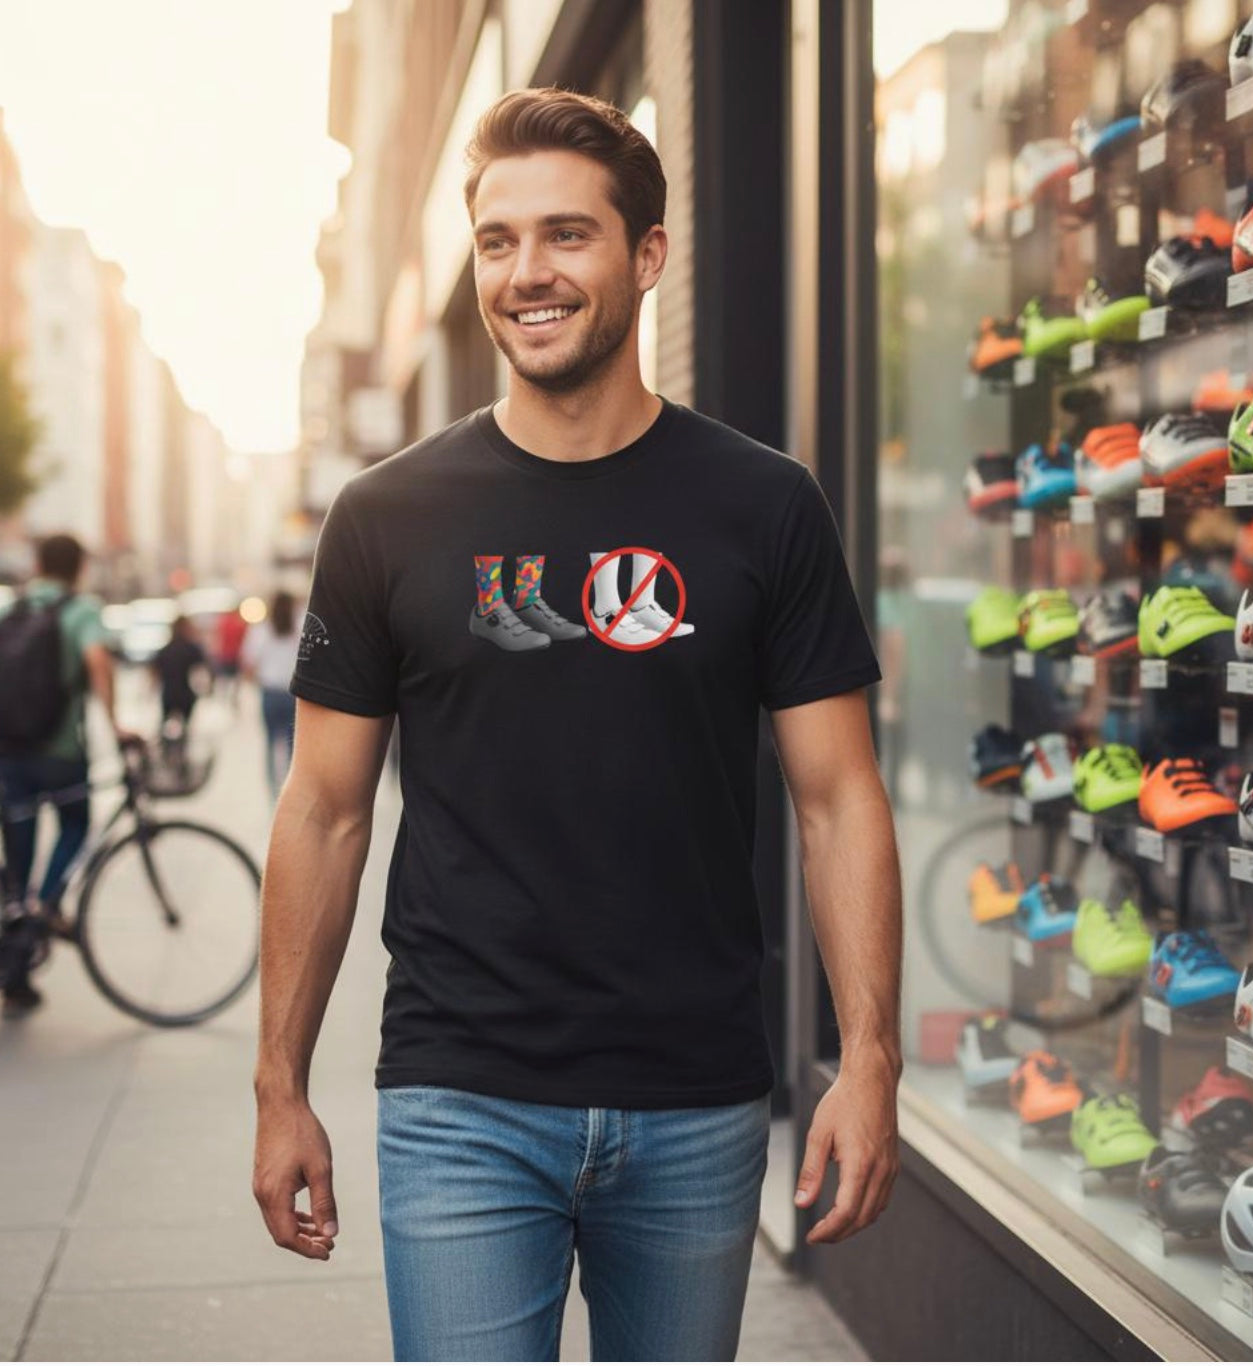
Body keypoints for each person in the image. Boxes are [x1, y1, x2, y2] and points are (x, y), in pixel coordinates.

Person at [252, 88, 904, 1362]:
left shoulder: (766, 506)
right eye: (498, 241)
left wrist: (869, 1057)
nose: (525, 273)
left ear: (648, 255)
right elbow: (323, 811)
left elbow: (839, 797)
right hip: (461, 1096)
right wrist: (280, 1086)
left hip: (698, 1098)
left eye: (566, 236)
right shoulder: (387, 517)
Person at [0, 533, 132, 1018]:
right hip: (59, 751)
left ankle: (17, 961)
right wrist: (115, 725)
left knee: (18, 853)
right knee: (76, 822)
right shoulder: (79, 610)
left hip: (9, 751)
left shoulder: (11, 609)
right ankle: (45, 909)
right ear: (79, 568)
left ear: (36, 563)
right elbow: (97, 658)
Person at [241, 591, 300, 798]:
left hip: (270, 693)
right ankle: (293, 792)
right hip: (295, 694)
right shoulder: (300, 626)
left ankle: (274, 792)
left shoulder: (260, 630)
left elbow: (248, 665)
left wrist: (260, 680)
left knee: (270, 742)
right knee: (296, 746)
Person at [152, 615, 211, 768]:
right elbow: (202, 670)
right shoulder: (191, 648)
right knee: (185, 727)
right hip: (186, 695)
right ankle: (181, 753)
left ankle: (166, 752)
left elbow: (154, 672)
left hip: (168, 694)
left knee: (165, 724)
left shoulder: (165, 649)